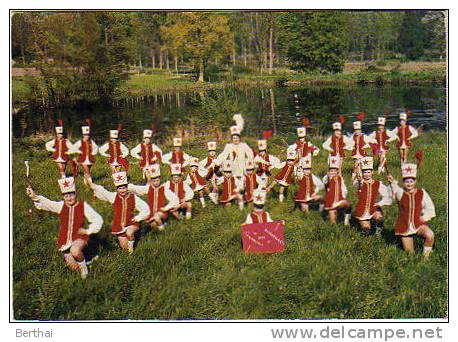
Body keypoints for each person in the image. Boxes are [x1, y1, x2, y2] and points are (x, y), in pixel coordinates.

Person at [26, 177, 103, 279]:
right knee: (74, 267)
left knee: (75, 251)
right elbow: (48, 203)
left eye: (71, 195)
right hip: (64, 240)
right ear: (63, 196)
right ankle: (88, 261)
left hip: (79, 236)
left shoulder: (83, 206)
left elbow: (98, 219)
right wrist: (34, 196)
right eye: (66, 196)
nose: (69, 198)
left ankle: (84, 269)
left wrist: (88, 230)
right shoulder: (60, 206)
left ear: (75, 194)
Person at [85, 171, 149, 254]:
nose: (122, 190)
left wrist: (138, 218)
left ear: (127, 187)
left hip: (131, 223)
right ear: (116, 188)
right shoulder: (113, 196)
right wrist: (91, 184)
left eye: (124, 187)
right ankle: (128, 248)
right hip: (118, 225)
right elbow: (103, 192)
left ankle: (131, 252)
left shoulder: (133, 197)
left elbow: (145, 208)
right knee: (124, 248)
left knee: (129, 233)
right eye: (120, 188)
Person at [387, 163, 436, 257]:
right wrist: (392, 181)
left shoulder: (422, 193)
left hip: (418, 224)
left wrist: (424, 217)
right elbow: (394, 188)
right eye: (406, 182)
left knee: (430, 235)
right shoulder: (400, 193)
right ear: (403, 182)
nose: (409, 184)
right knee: (410, 255)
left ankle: (426, 258)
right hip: (404, 226)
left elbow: (430, 208)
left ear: (415, 181)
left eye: (411, 181)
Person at [127, 165, 179, 231]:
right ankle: (161, 226)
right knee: (153, 225)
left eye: (157, 180)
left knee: (157, 217)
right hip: (151, 213)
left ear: (160, 179)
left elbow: (174, 199)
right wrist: (128, 187)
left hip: (161, 212)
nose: (156, 182)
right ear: (151, 181)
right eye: (154, 181)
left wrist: (166, 208)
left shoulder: (164, 188)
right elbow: (138, 189)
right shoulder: (148, 188)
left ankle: (163, 230)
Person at [352, 156, 392, 235]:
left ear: (372, 172)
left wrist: (391, 183)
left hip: (372, 208)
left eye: (368, 172)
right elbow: (358, 184)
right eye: (365, 172)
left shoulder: (377, 183)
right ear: (362, 173)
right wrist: (358, 177)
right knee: (367, 231)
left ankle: (378, 232)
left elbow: (388, 194)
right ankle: (361, 224)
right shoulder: (359, 182)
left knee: (379, 218)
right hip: (361, 210)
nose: (366, 174)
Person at [215, 114, 254, 184]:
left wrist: (250, 161)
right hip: (232, 165)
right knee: (233, 179)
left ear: (239, 138)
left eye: (237, 138)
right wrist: (217, 162)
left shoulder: (243, 145)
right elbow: (223, 155)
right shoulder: (229, 146)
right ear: (232, 139)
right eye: (234, 138)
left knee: (243, 180)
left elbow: (250, 154)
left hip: (242, 165)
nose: (235, 139)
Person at [323, 155, 352, 226]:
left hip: (339, 200)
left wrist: (343, 197)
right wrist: (329, 178)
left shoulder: (340, 178)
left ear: (337, 171)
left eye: (334, 171)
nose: (332, 172)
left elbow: (344, 189)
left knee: (348, 204)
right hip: (330, 203)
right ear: (328, 171)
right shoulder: (326, 177)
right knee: (333, 222)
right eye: (331, 171)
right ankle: (330, 215)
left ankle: (346, 219)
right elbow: (326, 182)